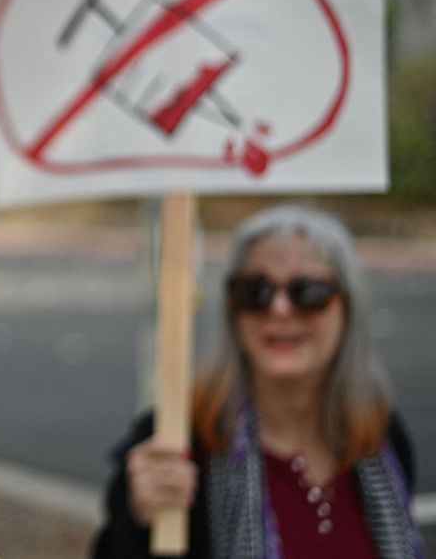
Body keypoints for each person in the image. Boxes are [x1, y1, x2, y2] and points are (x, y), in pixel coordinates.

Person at [92, 204, 424, 558]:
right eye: (255, 291)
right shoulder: (176, 442)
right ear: (232, 310)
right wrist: (138, 520)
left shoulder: (380, 435)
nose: (280, 309)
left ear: (348, 308)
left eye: (307, 292)